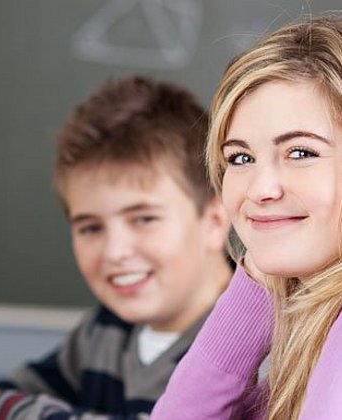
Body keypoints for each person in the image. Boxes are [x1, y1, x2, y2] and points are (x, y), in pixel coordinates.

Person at [0, 76, 233, 420]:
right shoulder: (104, 332)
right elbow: (21, 394)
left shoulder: (248, 346)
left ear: (214, 221)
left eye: (144, 219)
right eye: (91, 227)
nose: (114, 252)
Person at [151, 13, 342, 420]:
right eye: (240, 158)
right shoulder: (311, 326)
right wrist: (256, 282)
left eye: (301, 152)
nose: (259, 189)